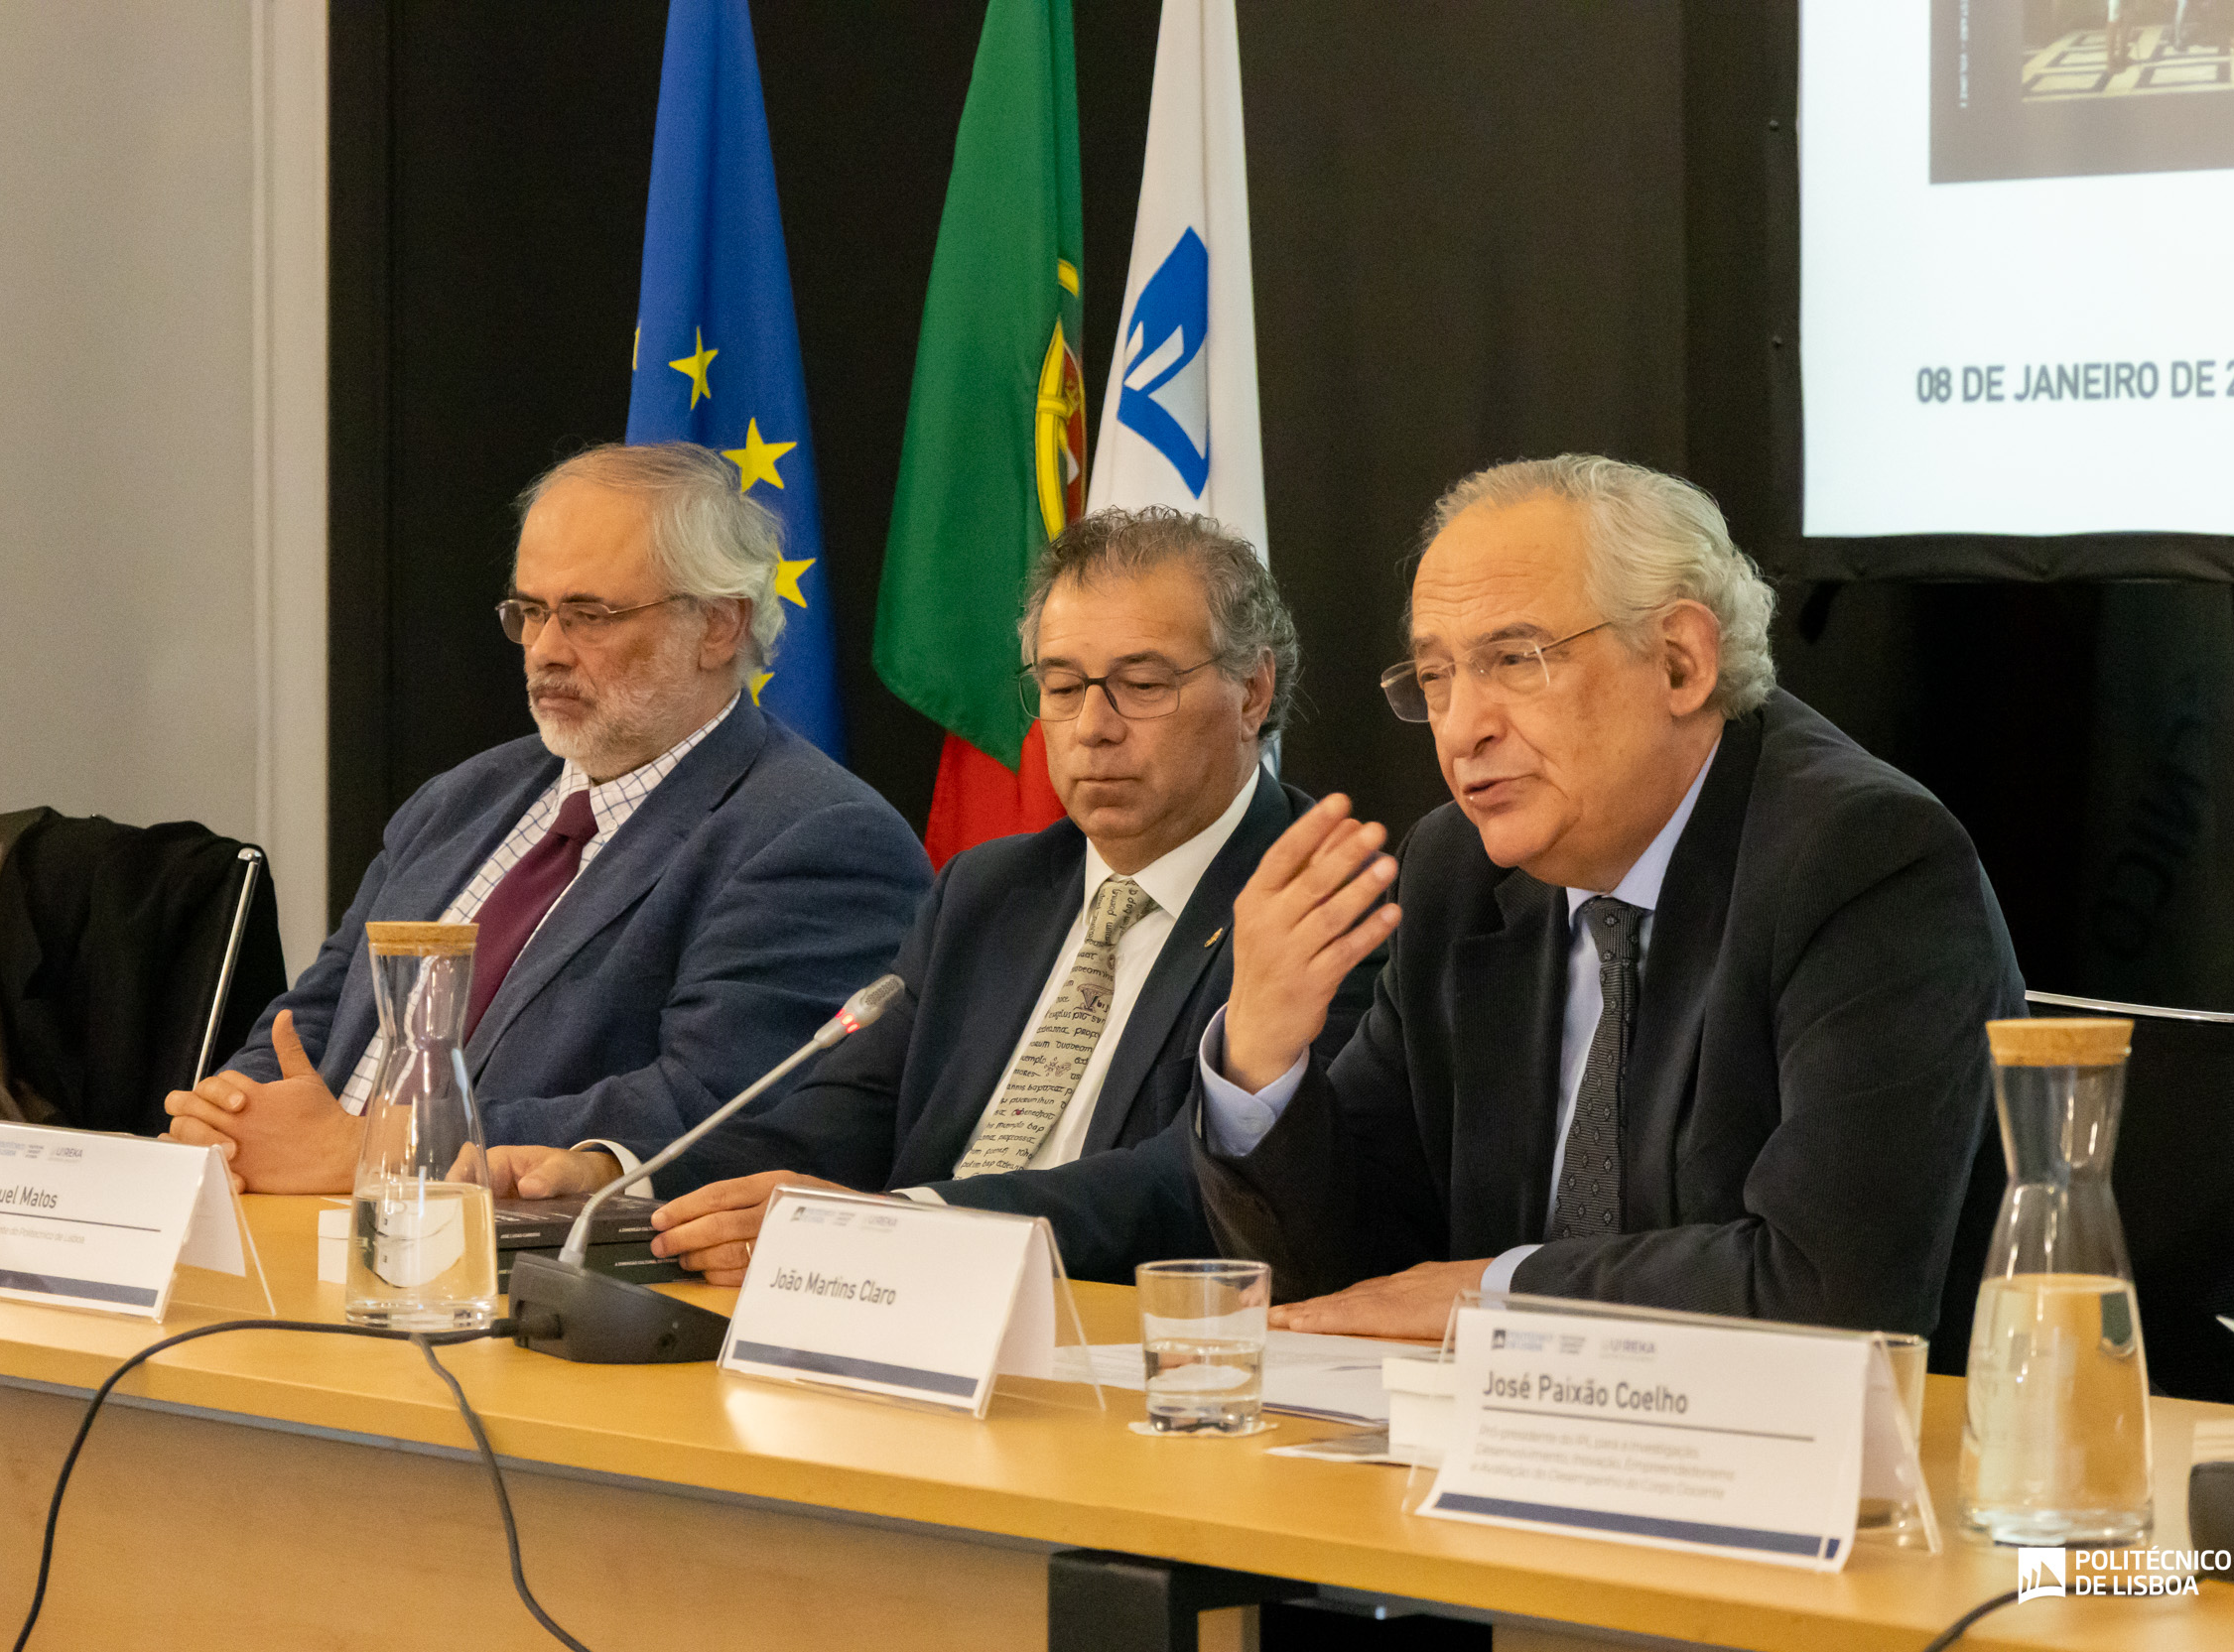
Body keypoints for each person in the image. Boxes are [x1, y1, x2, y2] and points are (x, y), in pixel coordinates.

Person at [1194, 454, 2024, 1346]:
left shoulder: (1863, 861)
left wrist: (1497, 1290)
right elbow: (1357, 1281)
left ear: (1678, 661)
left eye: (1513, 660)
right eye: (1435, 678)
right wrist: (1260, 1066)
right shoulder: (1459, 870)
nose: (1463, 726)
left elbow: (1830, 1290)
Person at [490, 507, 1380, 1282]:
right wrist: (617, 1178)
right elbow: (839, 1120)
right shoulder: (991, 891)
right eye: (1062, 687)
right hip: (907, 1333)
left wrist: (897, 1227)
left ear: (1251, 691)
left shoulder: (1317, 903)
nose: (1092, 728)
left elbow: (1204, 1180)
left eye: (1141, 685)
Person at [163, 443, 931, 1191]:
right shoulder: (461, 798)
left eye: (588, 614)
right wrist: (232, 1116)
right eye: (529, 611)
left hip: (522, 1264)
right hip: (305, 1223)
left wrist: (378, 1149)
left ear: (719, 626)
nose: (543, 650)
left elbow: (705, 1105)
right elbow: (323, 1008)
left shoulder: (816, 835)